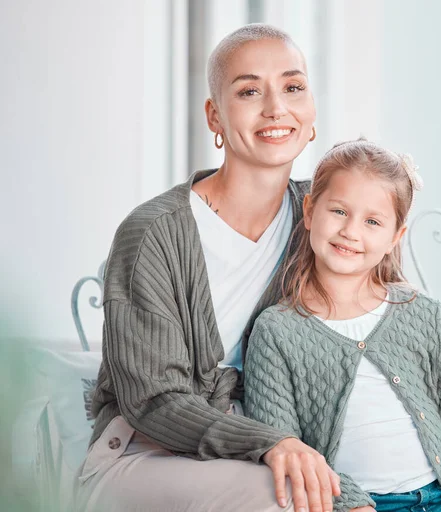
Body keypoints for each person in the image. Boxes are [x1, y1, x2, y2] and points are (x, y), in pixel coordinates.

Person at [74, 24, 341, 512]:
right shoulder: (154, 233)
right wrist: (271, 443)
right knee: (285, 500)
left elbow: (377, 327)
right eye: (248, 90)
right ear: (214, 116)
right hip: (142, 455)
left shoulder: (322, 221)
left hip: (265, 453)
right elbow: (155, 401)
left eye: (293, 86)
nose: (275, 107)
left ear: (312, 111)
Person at [244, 138, 441, 512]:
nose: (351, 231)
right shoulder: (277, 330)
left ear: (395, 237)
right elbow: (285, 446)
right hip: (360, 504)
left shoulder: (424, 315)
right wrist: (348, 502)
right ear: (310, 211)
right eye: (339, 211)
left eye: (372, 221)